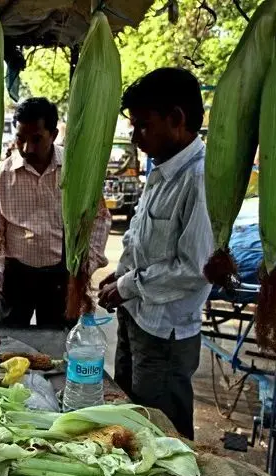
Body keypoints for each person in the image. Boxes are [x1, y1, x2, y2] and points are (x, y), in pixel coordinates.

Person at [97, 68, 214, 440]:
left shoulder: (199, 179)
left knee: (162, 435)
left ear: (177, 119)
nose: (135, 137)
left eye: (143, 126)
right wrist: (121, 275)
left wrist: (128, 285)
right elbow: (139, 238)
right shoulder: (162, 171)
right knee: (132, 421)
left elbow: (194, 269)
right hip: (137, 318)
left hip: (165, 333)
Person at [0, 97, 111, 327]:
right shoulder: (2, 174)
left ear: (53, 134)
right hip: (15, 276)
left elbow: (99, 219)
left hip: (61, 277)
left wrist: (83, 267)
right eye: (20, 138)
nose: (26, 148)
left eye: (36, 139)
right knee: (9, 343)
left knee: (56, 346)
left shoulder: (76, 171)